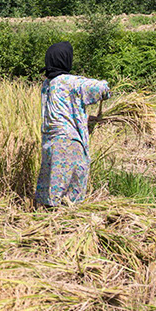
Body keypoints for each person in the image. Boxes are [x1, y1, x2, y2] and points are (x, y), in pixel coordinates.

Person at [34, 41, 109, 207]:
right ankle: (66, 221)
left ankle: (47, 216)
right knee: (70, 187)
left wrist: (86, 118)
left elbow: (62, 111)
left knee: (52, 181)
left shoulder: (47, 84)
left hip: (50, 140)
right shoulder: (71, 82)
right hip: (69, 141)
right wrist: (105, 85)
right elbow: (101, 89)